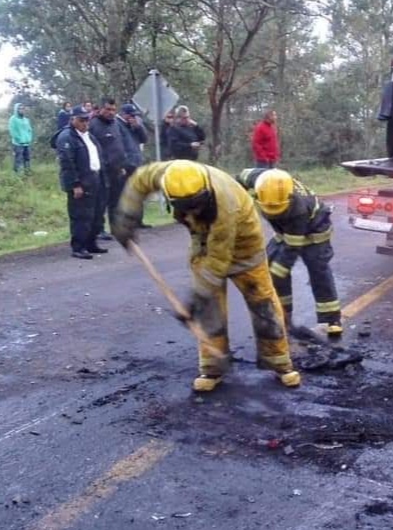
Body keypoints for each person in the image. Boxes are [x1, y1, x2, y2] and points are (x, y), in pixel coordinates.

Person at [111, 160, 301, 392]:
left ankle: (280, 362)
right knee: (210, 310)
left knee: (262, 303)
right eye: (185, 206)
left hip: (244, 247)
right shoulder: (166, 175)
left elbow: (218, 259)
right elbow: (138, 180)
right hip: (202, 242)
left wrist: (197, 297)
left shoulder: (225, 204)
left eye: (196, 205)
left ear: (206, 192)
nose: (192, 211)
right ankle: (212, 367)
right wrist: (126, 218)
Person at [238, 167, 342, 335]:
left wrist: (276, 272)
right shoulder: (260, 180)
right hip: (285, 233)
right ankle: (283, 316)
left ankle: (331, 319)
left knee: (318, 272)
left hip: (314, 233)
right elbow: (238, 179)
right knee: (271, 264)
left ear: (290, 199)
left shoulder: (298, 209)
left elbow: (291, 249)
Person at [54, 105, 106, 259]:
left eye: (87, 119)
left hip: (94, 178)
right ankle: (78, 247)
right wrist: (75, 184)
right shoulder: (66, 137)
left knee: (96, 214)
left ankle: (91, 243)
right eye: (81, 120)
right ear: (73, 120)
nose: (85, 123)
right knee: (80, 216)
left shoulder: (88, 135)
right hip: (81, 182)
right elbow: (67, 163)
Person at [88, 98, 128, 239]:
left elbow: (120, 145)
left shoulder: (116, 124)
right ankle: (99, 230)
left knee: (116, 201)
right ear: (100, 109)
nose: (111, 112)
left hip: (117, 169)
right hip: (101, 171)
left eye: (113, 110)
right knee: (101, 202)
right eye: (108, 109)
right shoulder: (93, 125)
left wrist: (122, 164)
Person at [119, 103, 151, 229]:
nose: (133, 118)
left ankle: (139, 220)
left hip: (137, 162)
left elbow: (144, 139)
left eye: (135, 116)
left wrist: (137, 126)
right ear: (124, 114)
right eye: (131, 116)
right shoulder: (117, 124)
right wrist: (122, 163)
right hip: (126, 165)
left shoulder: (136, 124)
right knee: (125, 195)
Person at [8, 103, 33, 174]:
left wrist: (29, 138)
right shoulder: (13, 119)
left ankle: (27, 172)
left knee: (27, 158)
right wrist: (19, 139)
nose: (22, 110)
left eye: (23, 108)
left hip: (27, 143)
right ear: (16, 109)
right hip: (18, 143)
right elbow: (12, 131)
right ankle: (18, 174)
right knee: (18, 158)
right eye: (20, 108)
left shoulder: (26, 119)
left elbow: (29, 130)